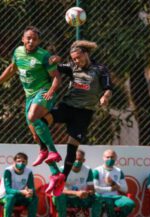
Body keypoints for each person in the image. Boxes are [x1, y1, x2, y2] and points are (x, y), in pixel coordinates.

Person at [0, 26, 65, 196]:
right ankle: (55, 172)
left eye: (34, 39)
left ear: (39, 41)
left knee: (33, 116)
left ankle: (52, 151)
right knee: (35, 134)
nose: (31, 41)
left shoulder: (43, 56)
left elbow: (56, 76)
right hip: (29, 96)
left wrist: (51, 92)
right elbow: (12, 69)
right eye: (28, 38)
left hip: (44, 92)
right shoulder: (18, 52)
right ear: (22, 39)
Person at [31, 40, 113, 183]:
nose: (76, 61)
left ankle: (63, 177)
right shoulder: (72, 66)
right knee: (40, 121)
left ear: (86, 54)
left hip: (84, 113)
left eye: (78, 57)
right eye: (73, 58)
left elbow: (108, 88)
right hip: (67, 107)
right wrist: (56, 59)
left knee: (72, 146)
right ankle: (46, 150)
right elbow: (53, 68)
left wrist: (105, 97)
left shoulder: (100, 69)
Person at [52, 149, 101, 217]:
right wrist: (76, 193)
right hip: (66, 198)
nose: (77, 161)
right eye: (75, 159)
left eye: (79, 159)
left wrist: (87, 193)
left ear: (83, 160)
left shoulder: (88, 170)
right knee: (59, 196)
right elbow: (57, 190)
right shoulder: (62, 170)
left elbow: (92, 189)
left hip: (80, 198)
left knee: (98, 198)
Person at [92, 149, 135, 217]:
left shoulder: (118, 171)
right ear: (103, 158)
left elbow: (125, 189)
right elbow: (95, 188)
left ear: (115, 158)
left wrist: (113, 183)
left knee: (130, 204)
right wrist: (110, 189)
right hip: (101, 197)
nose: (109, 159)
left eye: (112, 157)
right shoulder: (97, 171)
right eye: (107, 157)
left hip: (115, 197)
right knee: (108, 202)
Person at [0, 152, 38, 217]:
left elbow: (31, 187)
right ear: (14, 162)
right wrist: (22, 192)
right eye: (18, 161)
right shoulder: (8, 171)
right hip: (4, 197)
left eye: (23, 161)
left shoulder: (28, 171)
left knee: (34, 198)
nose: (21, 163)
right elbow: (8, 190)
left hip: (20, 196)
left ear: (26, 162)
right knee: (11, 197)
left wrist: (30, 192)